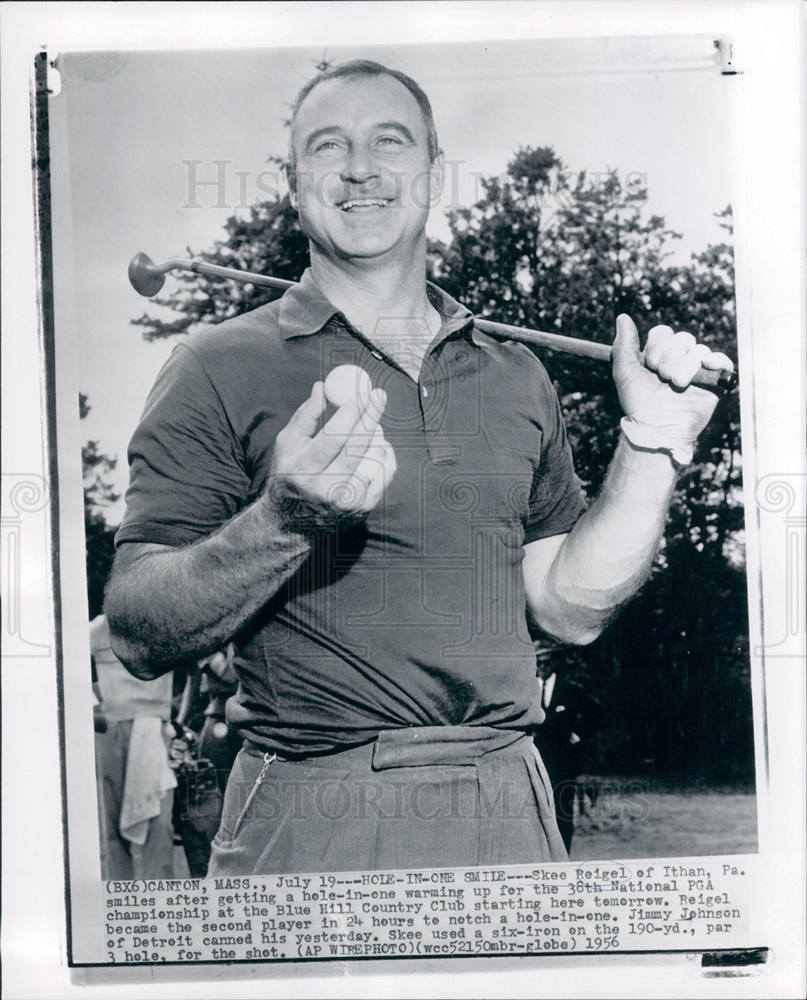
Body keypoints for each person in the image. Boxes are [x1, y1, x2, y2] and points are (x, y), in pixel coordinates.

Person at [105, 59, 733, 875]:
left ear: (432, 176)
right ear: (293, 185)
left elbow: (568, 608)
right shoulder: (213, 365)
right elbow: (136, 631)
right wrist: (283, 520)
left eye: (389, 142)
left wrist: (651, 445)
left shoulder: (515, 374)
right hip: (311, 817)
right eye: (328, 146)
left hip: (510, 808)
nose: (361, 167)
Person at [90, 614, 176, 879]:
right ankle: (119, 902)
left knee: (161, 826)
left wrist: (179, 719)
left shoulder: (167, 625)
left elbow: (196, 669)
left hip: (155, 728)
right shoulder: (97, 629)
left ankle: (161, 903)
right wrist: (94, 708)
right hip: (111, 727)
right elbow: (65, 667)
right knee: (112, 828)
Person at [532, 664, 603, 852]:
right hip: (534, 760)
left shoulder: (568, 689)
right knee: (534, 809)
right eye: (538, 662)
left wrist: (579, 734)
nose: (542, 667)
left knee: (562, 808)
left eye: (546, 662)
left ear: (553, 665)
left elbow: (595, 710)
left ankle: (563, 856)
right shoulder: (527, 689)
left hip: (563, 761)